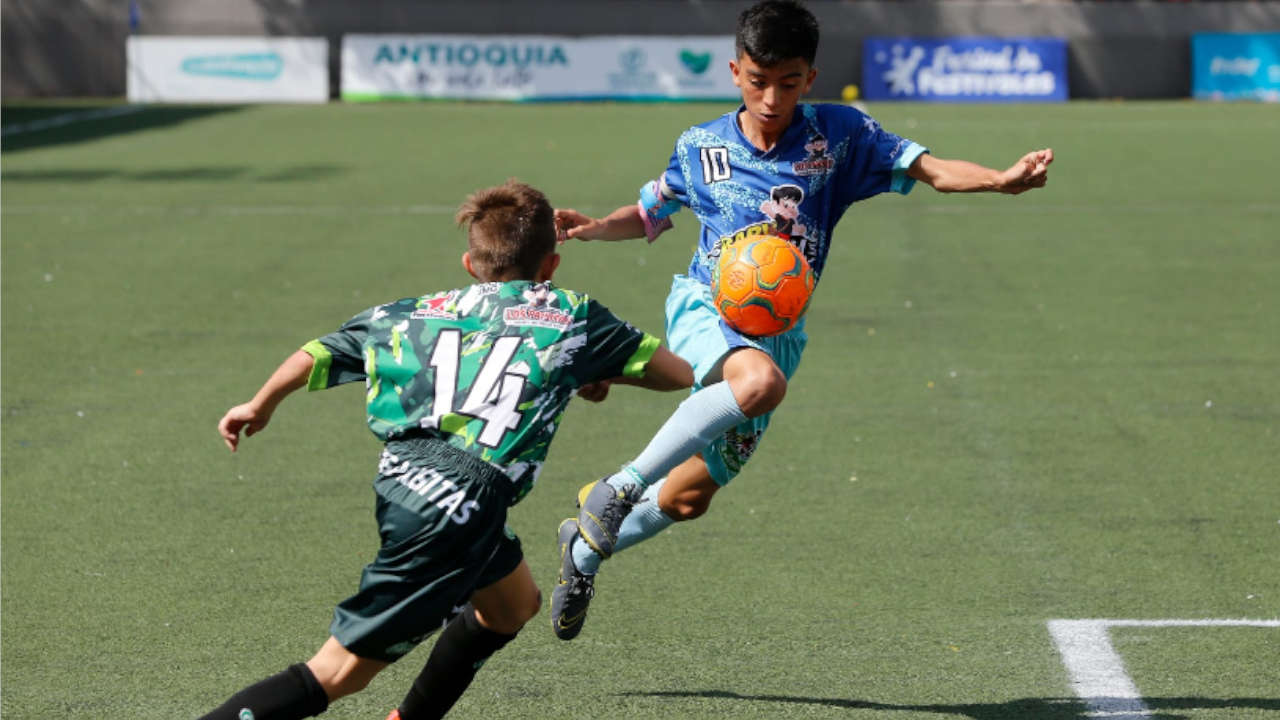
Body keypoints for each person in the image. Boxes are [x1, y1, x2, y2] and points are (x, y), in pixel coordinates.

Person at [550, 0, 1053, 640]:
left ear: (809, 78)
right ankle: (615, 488)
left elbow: (931, 170)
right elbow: (652, 210)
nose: (770, 97)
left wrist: (999, 181)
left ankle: (584, 550)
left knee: (686, 498)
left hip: (779, 335)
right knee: (756, 385)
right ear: (735, 72)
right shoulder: (700, 145)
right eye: (758, 81)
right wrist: (596, 228)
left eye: (787, 83)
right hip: (705, 306)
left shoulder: (841, 136)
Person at [201, 179, 692, 720]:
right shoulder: (573, 316)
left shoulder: (411, 313)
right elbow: (677, 374)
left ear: (468, 263)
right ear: (550, 266)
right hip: (459, 501)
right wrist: (590, 371)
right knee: (338, 672)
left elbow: (318, 351)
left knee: (512, 605)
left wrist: (259, 403)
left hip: (405, 474)